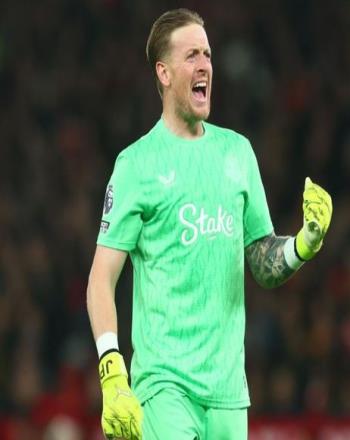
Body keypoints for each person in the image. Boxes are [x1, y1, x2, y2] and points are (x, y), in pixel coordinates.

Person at [86, 8, 332, 440]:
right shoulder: (136, 165)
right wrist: (112, 370)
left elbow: (261, 262)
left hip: (228, 393)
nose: (204, 65)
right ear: (163, 73)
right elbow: (100, 279)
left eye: (208, 55)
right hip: (164, 387)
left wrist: (304, 243)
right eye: (191, 56)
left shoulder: (238, 153)